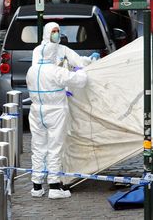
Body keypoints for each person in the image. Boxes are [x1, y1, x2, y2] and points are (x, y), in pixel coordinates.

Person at [26, 42, 88, 199]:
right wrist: (81, 69)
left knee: (38, 147)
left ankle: (37, 186)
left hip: (36, 111)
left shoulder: (32, 70)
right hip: (55, 111)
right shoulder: (56, 71)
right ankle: (54, 186)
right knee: (55, 147)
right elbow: (81, 81)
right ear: (54, 55)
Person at [32, 22, 100, 69]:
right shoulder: (39, 50)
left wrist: (89, 59)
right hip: (46, 86)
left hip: (61, 85)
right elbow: (36, 69)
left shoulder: (63, 49)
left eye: (58, 31)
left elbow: (77, 60)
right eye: (53, 31)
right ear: (47, 33)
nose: (56, 34)